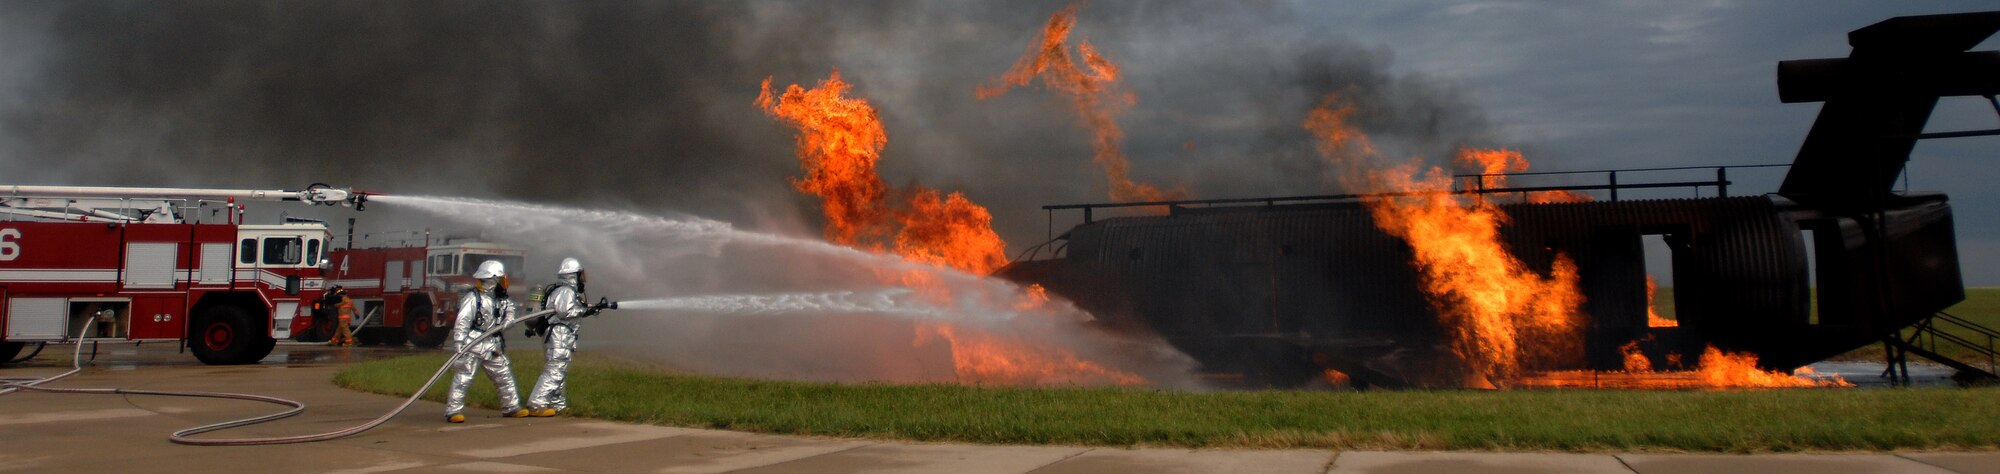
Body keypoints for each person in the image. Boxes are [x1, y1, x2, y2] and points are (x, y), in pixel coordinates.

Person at [444, 260, 530, 423]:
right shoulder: (473, 298)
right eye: (501, 278)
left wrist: (509, 320)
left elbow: (510, 309)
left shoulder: (500, 298)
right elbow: (462, 322)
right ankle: (453, 411)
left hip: (492, 344)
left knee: (503, 375)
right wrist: (459, 344)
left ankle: (511, 407)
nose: (505, 281)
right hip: (473, 343)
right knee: (464, 377)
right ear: (493, 278)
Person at [526, 258, 593, 416]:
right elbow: (565, 312)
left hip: (558, 335)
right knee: (555, 370)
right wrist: (584, 311)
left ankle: (558, 404)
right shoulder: (566, 291)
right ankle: (537, 404)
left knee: (559, 370)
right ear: (573, 275)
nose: (583, 278)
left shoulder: (563, 290)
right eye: (580, 274)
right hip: (560, 335)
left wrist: (589, 308)